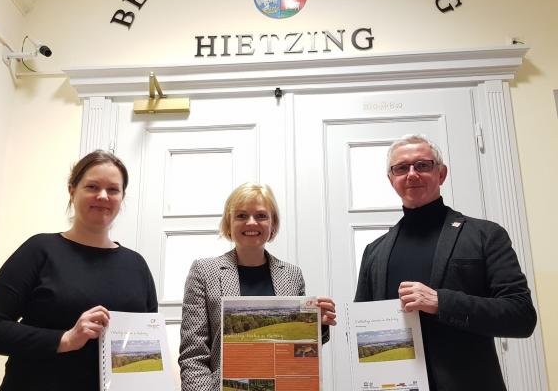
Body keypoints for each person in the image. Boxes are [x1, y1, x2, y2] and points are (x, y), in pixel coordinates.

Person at [354, 134, 537, 391]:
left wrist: (441, 302)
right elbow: (364, 328)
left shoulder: (485, 235)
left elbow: (521, 317)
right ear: (391, 179)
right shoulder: (374, 251)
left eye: (423, 165)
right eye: (402, 168)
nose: (412, 174)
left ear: (441, 174)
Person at [0, 150, 158, 391]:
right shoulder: (39, 250)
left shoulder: (137, 265)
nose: (103, 196)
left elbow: (148, 345)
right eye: (92, 186)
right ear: (72, 191)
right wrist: (65, 339)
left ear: (122, 197)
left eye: (113, 190)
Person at [179, 182, 336, 391]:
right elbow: (193, 355)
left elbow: (299, 349)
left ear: (273, 225)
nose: (251, 223)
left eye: (261, 216)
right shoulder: (204, 271)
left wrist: (317, 324)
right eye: (241, 216)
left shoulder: (292, 275)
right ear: (229, 223)